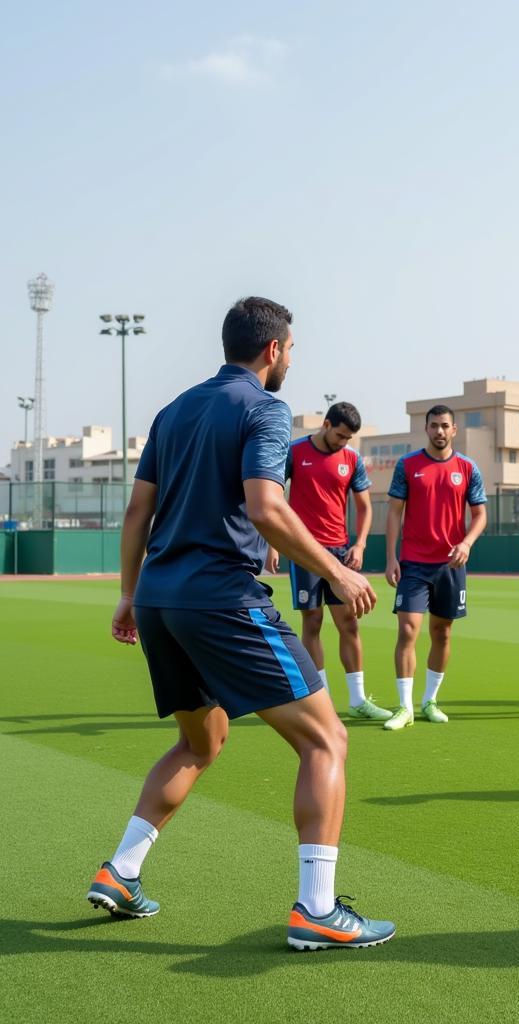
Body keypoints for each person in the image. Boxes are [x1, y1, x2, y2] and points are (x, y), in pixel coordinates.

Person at [88, 297, 395, 951]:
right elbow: (265, 504)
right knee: (326, 742)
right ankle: (316, 910)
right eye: (294, 349)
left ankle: (121, 872)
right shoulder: (266, 408)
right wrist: (337, 572)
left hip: (160, 601)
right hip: (220, 600)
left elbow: (137, 511)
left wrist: (127, 594)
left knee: (202, 742)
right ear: (276, 349)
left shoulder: (174, 411)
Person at [266, 401, 392, 723]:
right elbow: (273, 496)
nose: (343, 443)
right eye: (340, 435)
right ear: (325, 424)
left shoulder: (351, 459)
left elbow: (364, 507)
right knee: (312, 622)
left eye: (349, 438)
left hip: (340, 554)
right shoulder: (295, 452)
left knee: (349, 623)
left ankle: (358, 700)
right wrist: (274, 542)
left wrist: (360, 544)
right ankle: (320, 702)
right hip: (304, 551)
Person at [383, 404, 487, 729]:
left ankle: (430, 700)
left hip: (451, 565)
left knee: (442, 632)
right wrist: (391, 557)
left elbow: (480, 515)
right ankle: (405, 707)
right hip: (414, 563)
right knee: (407, 629)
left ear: (454, 430)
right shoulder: (408, 464)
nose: (439, 431)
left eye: (445, 426)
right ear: (426, 428)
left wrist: (467, 543)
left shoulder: (468, 468)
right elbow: (394, 513)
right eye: (434, 426)